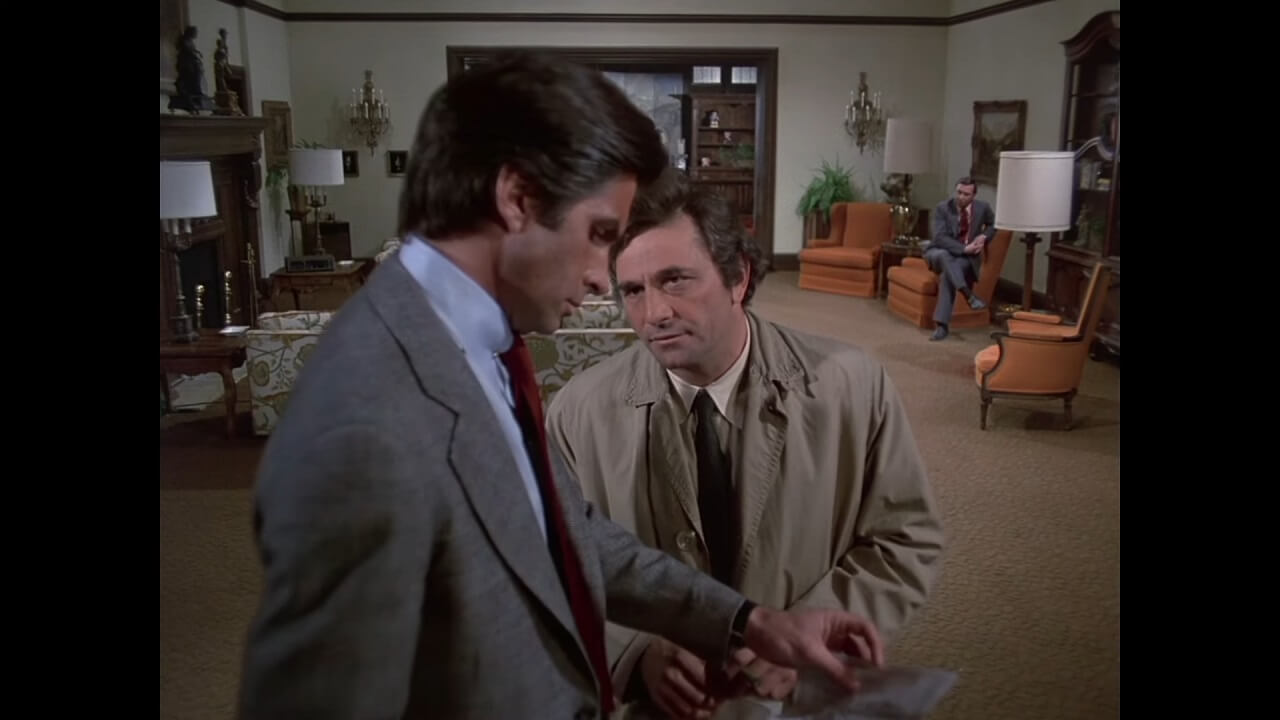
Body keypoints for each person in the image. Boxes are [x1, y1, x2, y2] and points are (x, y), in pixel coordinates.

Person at [237, 52, 887, 720]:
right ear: (518, 199)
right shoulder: (365, 422)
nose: (607, 281)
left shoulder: (482, 344)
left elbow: (562, 530)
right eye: (600, 234)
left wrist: (749, 621)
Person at [545, 168, 945, 719]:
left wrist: (808, 635)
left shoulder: (853, 385)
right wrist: (634, 653)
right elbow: (558, 565)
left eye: (676, 280)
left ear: (738, 278)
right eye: (633, 291)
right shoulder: (576, 413)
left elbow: (904, 537)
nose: (654, 314)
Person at [924, 176, 995, 341]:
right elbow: (940, 237)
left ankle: (942, 326)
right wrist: (963, 248)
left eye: (966, 194)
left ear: (974, 195)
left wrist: (984, 236)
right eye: (959, 192)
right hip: (938, 252)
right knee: (944, 255)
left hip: (965, 258)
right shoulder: (943, 208)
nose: (961, 197)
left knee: (948, 276)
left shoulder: (983, 208)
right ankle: (968, 294)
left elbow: (993, 224)